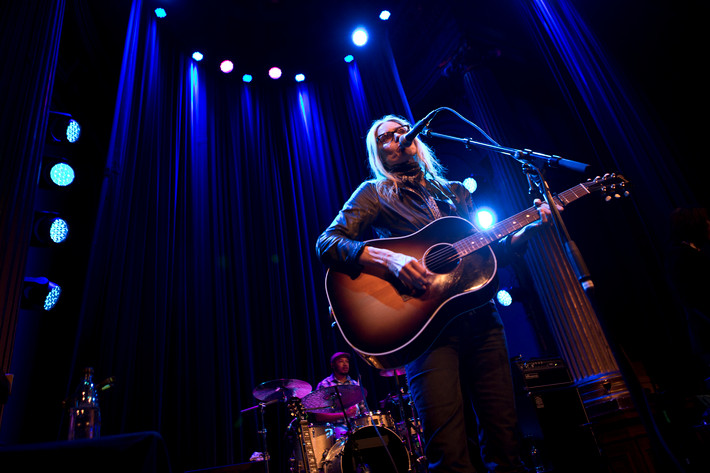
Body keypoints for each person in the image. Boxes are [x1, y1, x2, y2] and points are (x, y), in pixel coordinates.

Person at [316, 114, 559, 472]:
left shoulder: (455, 191)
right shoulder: (373, 193)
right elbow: (328, 243)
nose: (398, 137)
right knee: (448, 453)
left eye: (403, 130)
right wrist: (387, 257)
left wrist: (530, 228)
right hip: (423, 330)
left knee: (506, 443)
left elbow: (488, 255)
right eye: (386, 137)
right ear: (379, 152)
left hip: (482, 322)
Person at [313, 352, 365, 431]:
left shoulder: (354, 384)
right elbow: (319, 416)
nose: (345, 364)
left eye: (347, 361)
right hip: (334, 428)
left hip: (356, 426)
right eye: (341, 361)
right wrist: (344, 414)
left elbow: (363, 409)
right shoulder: (324, 385)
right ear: (332, 365)